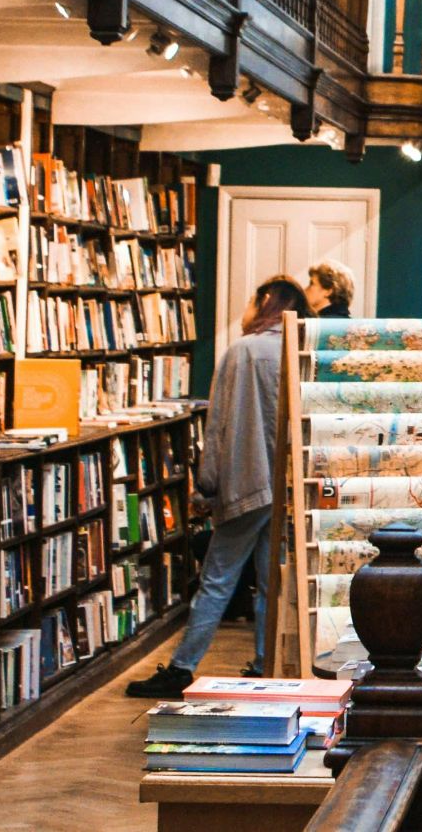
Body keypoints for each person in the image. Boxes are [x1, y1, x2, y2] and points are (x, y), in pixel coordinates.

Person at [127, 275, 311, 696]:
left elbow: (220, 427)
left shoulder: (243, 352)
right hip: (286, 489)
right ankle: (266, 666)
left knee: (217, 578)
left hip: (247, 484)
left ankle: (181, 668)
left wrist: (206, 488)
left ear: (265, 301)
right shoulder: (300, 349)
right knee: (271, 583)